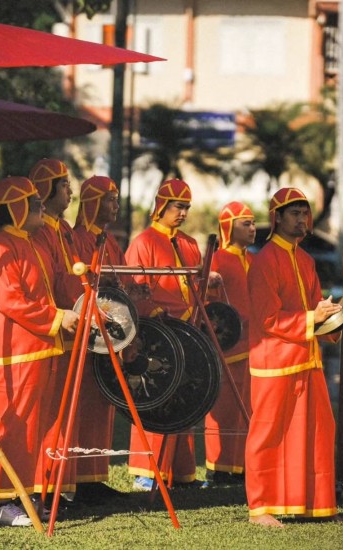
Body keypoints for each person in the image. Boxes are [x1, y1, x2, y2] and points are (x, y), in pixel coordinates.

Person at [245, 187, 343, 527]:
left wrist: (334, 321)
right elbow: (267, 319)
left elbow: (314, 308)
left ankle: (317, 505)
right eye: (294, 213)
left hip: (307, 358)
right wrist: (314, 318)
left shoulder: (306, 260)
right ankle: (260, 508)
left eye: (305, 213)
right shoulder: (264, 261)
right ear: (277, 218)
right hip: (274, 364)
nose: (302, 219)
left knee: (317, 431)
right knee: (267, 434)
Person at [0, 176, 79, 527]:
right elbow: (11, 301)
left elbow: (54, 285)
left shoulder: (33, 243)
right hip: (11, 354)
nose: (41, 206)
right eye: (34, 202)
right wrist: (57, 318)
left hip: (40, 348)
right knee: (12, 427)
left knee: (33, 430)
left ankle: (23, 497)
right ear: (16, 208)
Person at [126, 178, 207, 490]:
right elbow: (134, 291)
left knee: (185, 399)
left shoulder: (190, 243)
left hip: (188, 331)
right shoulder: (143, 242)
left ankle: (181, 474)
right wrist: (154, 312)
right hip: (157, 334)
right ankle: (145, 473)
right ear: (161, 206)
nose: (183, 213)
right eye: (177, 206)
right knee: (155, 399)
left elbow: (196, 286)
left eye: (187, 207)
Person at [72, 175, 130, 504]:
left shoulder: (110, 241)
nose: (115, 206)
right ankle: (78, 480)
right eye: (110, 199)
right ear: (93, 202)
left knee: (101, 405)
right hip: (86, 334)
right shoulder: (78, 238)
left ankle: (94, 477)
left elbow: (120, 280)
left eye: (116, 199)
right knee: (83, 405)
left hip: (109, 332)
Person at [29, 159, 83, 507]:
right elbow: (56, 283)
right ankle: (41, 485)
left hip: (67, 327)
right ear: (46, 189)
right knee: (46, 415)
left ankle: (56, 484)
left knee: (62, 414)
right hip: (51, 330)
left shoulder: (62, 229)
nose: (70, 191)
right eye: (63, 184)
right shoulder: (40, 233)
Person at [204, 201, 256, 486]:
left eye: (253, 223)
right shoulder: (217, 260)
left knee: (249, 410)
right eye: (246, 224)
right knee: (224, 410)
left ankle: (243, 466)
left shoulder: (255, 261)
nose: (252, 228)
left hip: (254, 349)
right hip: (227, 348)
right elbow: (206, 302)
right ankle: (218, 468)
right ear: (229, 227)